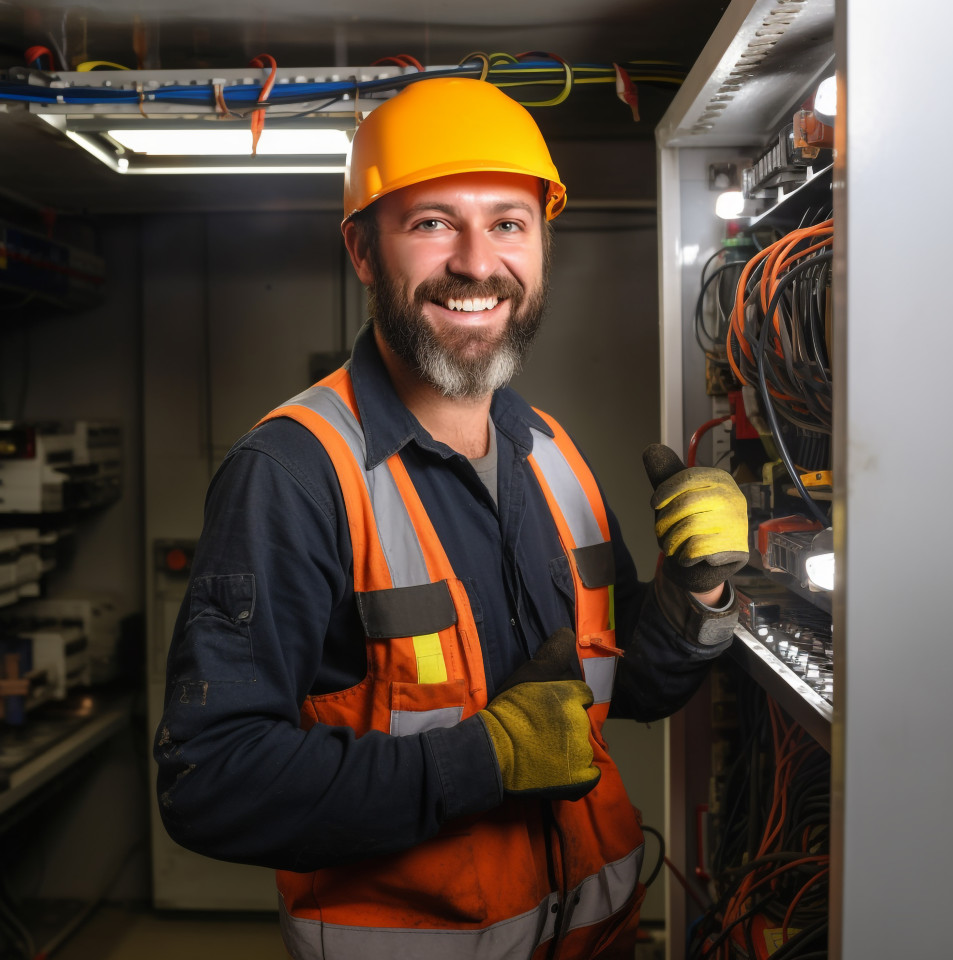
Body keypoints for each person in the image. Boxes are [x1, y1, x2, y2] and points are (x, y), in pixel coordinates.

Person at [155, 76, 748, 960]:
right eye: (433, 223)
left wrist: (696, 591)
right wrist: (482, 763)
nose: (477, 262)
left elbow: (629, 692)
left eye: (509, 222)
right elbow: (210, 781)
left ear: (542, 242)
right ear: (362, 250)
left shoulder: (550, 452)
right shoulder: (293, 474)